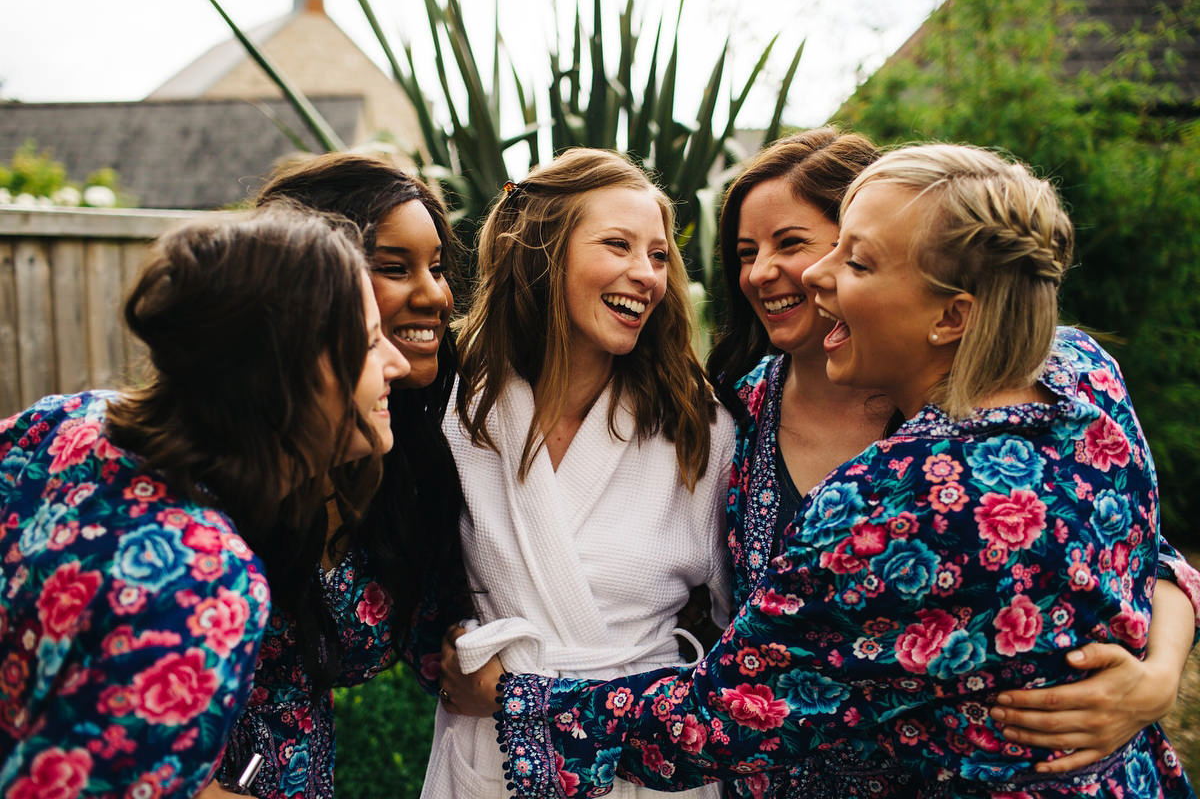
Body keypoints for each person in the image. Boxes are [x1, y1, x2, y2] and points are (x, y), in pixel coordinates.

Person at [446, 143, 1198, 797]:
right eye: (743, 252)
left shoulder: (889, 501)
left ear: (950, 313)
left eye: (851, 253)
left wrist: (519, 702)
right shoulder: (1080, 368)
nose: (806, 275)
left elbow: (729, 712)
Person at [706, 129, 1200, 795]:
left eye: (795, 244)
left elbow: (1141, 554)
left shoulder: (1021, 390)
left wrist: (1157, 678)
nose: (762, 270)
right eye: (746, 251)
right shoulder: (734, 410)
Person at [0, 205, 406, 798]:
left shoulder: (64, 420)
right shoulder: (208, 581)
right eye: (370, 343)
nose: (395, 361)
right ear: (284, 368)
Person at [423, 148, 735, 798]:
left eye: (657, 255)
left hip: (643, 767)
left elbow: (747, 636)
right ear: (542, 252)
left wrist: (520, 696)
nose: (645, 274)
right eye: (617, 244)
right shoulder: (460, 410)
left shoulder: (697, 428)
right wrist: (446, 642)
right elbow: (412, 577)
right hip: (491, 763)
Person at [206, 153, 472, 798]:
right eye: (394, 268)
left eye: (437, 268)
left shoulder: (408, 462)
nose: (436, 294)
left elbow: (447, 653)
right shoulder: (188, 469)